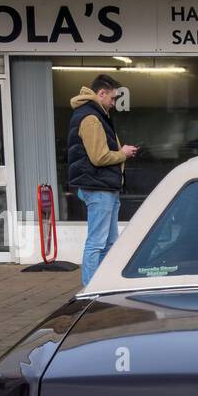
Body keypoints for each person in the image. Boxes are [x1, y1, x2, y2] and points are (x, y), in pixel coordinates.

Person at [67, 74, 138, 284]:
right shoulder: (90, 118)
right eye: (113, 98)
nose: (114, 103)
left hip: (105, 187)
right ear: (101, 93)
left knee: (108, 243)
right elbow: (99, 157)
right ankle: (90, 289)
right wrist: (123, 153)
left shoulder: (97, 115)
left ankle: (105, 284)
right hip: (99, 188)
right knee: (97, 243)